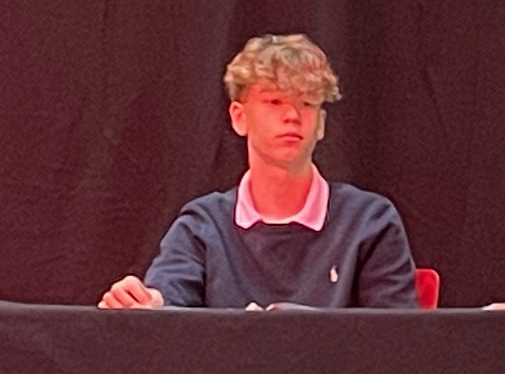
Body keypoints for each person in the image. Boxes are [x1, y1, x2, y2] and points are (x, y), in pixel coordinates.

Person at [98, 34, 418, 310]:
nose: (292, 115)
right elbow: (168, 302)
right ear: (239, 118)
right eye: (275, 101)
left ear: (321, 124)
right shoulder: (203, 224)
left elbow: (396, 339)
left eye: (307, 103)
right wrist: (148, 302)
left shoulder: (369, 220)